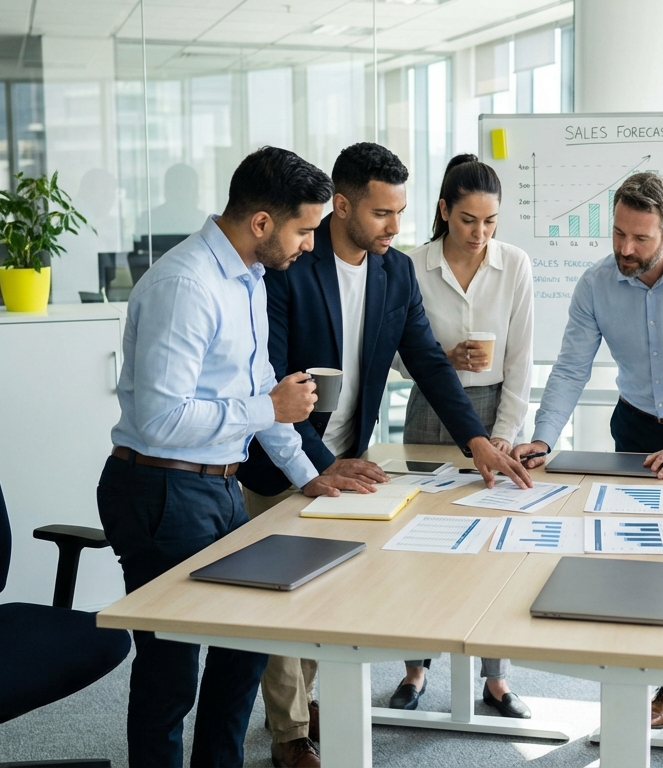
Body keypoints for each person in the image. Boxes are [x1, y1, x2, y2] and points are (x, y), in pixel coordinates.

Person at [235, 142, 533, 768]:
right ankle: (290, 734)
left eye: (400, 212)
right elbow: (271, 373)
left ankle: (308, 701)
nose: (397, 227)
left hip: (351, 453)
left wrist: (476, 439)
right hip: (286, 455)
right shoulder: (292, 268)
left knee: (327, 586)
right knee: (281, 599)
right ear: (340, 206)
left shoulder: (395, 272)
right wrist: (316, 461)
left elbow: (425, 358)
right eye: (381, 214)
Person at [96, 146, 357, 768]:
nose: (311, 245)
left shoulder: (250, 277)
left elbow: (265, 389)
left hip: (216, 488)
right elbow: (165, 417)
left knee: (244, 646)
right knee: (171, 670)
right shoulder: (185, 285)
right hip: (161, 488)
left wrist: (308, 475)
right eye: (304, 229)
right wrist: (268, 409)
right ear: (262, 222)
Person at [510, 171, 663, 735]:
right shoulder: (596, 283)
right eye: (618, 233)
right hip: (636, 430)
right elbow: (571, 368)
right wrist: (545, 437)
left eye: (640, 239)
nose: (625, 248)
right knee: (646, 559)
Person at [390, 153, 535, 719]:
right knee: (423, 539)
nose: (480, 233)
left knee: (497, 547)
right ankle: (415, 670)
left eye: (491, 221)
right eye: (469, 219)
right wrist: (439, 361)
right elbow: (398, 353)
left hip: (498, 407)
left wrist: (502, 437)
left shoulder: (514, 264)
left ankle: (495, 680)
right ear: (444, 210)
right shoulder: (412, 265)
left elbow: (522, 359)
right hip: (431, 408)